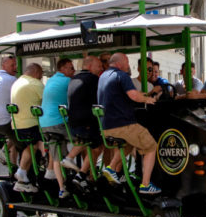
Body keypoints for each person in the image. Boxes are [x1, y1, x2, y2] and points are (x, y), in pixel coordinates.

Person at [97, 53, 161, 194]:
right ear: (120, 63)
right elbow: (133, 95)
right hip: (122, 124)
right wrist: (148, 99)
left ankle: (111, 168)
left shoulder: (103, 76)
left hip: (106, 126)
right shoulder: (121, 75)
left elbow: (125, 95)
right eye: (127, 62)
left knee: (127, 144)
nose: (128, 66)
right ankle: (145, 185)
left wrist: (143, 95)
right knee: (151, 147)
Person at [65, 56, 105, 188]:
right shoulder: (93, 79)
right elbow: (101, 99)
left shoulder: (74, 79)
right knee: (100, 145)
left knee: (94, 145)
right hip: (86, 123)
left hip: (72, 123)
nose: (101, 68)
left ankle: (82, 175)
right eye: (98, 65)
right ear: (89, 66)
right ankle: (72, 161)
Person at [39, 58, 76, 198]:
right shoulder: (68, 81)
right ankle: (79, 170)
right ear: (63, 68)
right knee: (84, 139)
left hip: (45, 125)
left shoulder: (50, 80)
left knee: (56, 156)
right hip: (59, 123)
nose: (73, 71)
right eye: (71, 68)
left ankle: (62, 188)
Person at [10, 63, 45, 193]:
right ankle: (24, 171)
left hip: (16, 124)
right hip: (30, 124)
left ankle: (23, 178)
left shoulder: (17, 82)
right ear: (36, 73)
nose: (41, 77)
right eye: (41, 74)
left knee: (31, 146)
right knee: (36, 144)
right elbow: (47, 101)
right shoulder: (36, 84)